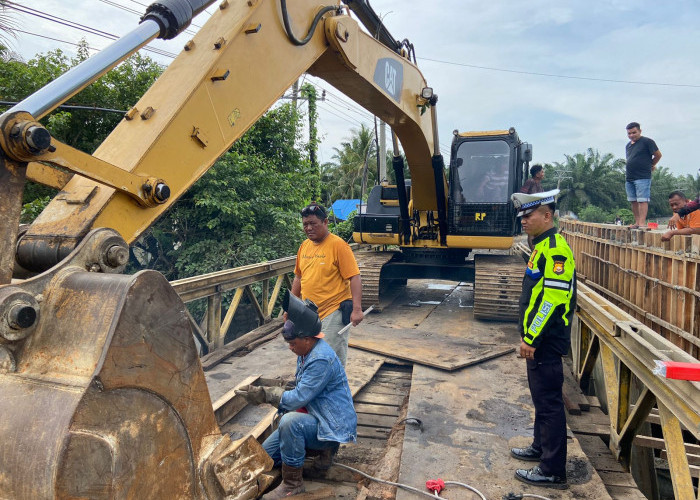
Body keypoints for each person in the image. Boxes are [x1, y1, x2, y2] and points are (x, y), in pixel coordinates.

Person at [235, 292, 357, 499]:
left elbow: (297, 398)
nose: (291, 348)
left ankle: (293, 483)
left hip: (332, 423)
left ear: (308, 339)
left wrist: (265, 394)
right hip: (318, 415)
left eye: (293, 344)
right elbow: (300, 385)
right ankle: (318, 451)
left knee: (290, 422)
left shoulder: (320, 359)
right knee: (265, 457)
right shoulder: (306, 352)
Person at [509, 189, 577, 490]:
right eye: (522, 216)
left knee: (549, 404)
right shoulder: (541, 247)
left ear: (547, 216)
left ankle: (552, 470)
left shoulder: (556, 251)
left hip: (546, 340)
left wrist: (532, 338)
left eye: (528, 215)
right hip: (539, 339)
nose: (523, 221)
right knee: (541, 399)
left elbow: (551, 300)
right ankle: (539, 446)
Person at [292, 202, 363, 366]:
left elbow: (355, 277)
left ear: (325, 222)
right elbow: (298, 277)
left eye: (313, 224)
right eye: (305, 224)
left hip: (333, 313)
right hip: (308, 313)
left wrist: (357, 309)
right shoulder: (304, 246)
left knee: (330, 359)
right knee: (309, 356)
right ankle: (311, 389)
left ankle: (334, 391)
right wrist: (291, 307)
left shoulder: (338, 245)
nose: (309, 228)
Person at [625, 122, 662, 228]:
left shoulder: (647, 142)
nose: (631, 135)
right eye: (629, 133)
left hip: (642, 176)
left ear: (640, 131)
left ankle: (641, 223)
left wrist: (652, 164)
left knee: (642, 200)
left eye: (634, 132)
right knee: (633, 200)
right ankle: (637, 222)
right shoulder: (628, 145)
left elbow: (658, 155)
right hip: (630, 176)